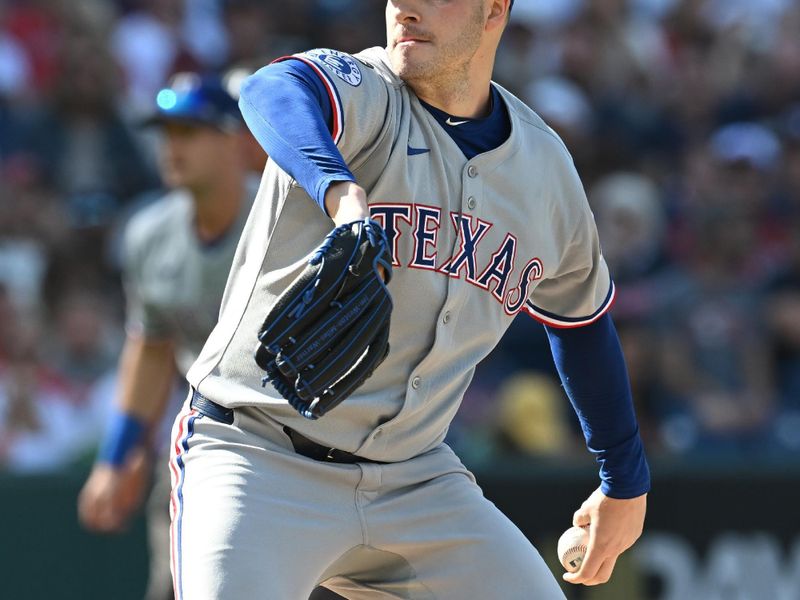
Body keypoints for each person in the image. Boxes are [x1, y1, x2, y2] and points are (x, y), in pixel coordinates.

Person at [174, 1, 650, 598]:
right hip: (256, 456)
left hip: (415, 481)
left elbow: (581, 324)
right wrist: (340, 192)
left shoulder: (545, 170)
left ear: (494, 9)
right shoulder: (367, 92)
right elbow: (272, 86)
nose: (408, 9)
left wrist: (623, 480)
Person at [77, 72, 260, 600]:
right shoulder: (148, 233)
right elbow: (151, 351)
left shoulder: (285, 217)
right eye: (166, 133)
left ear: (234, 140)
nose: (171, 147)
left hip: (301, 441)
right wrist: (118, 456)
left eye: (189, 132)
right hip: (205, 434)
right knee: (173, 585)